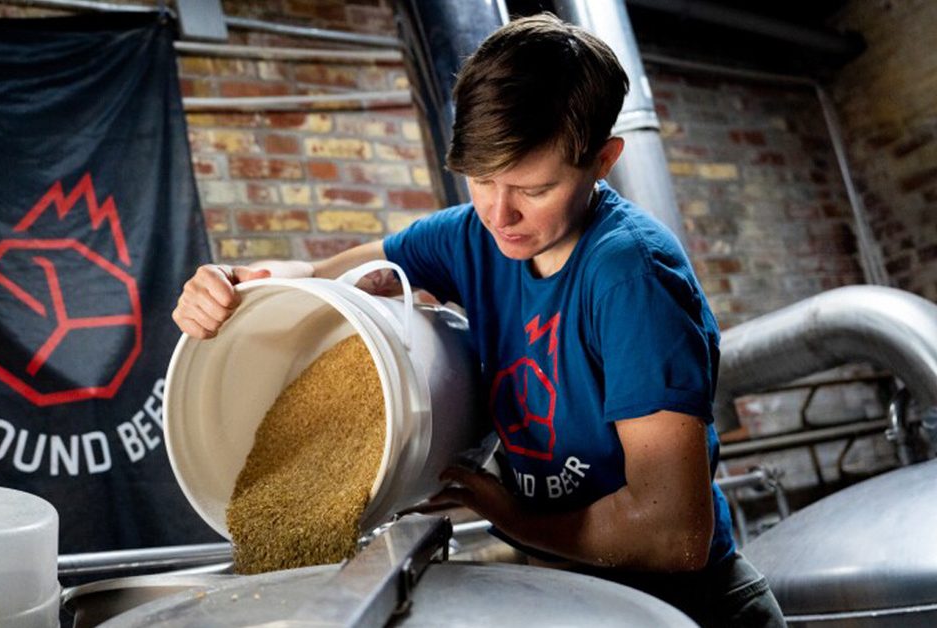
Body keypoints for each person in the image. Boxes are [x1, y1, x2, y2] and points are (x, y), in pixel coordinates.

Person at [172, 13, 784, 627]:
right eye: (480, 178)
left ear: (602, 161)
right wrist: (236, 282)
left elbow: (673, 534)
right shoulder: (470, 236)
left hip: (689, 610)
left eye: (533, 188)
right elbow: (321, 275)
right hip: (572, 599)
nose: (499, 213)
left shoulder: (630, 278)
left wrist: (513, 517)